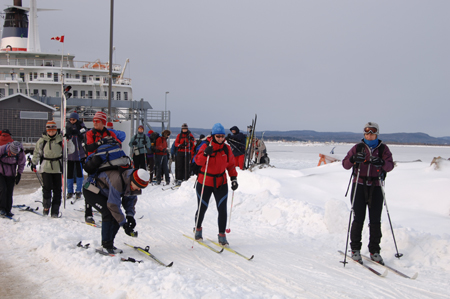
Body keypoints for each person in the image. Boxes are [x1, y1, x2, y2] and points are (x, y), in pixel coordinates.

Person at [342, 122, 394, 265]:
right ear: (364, 134)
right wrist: (353, 159)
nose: (369, 136)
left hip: (376, 186)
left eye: (372, 133)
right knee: (358, 218)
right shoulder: (358, 148)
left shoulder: (383, 149)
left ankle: (374, 251)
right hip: (359, 185)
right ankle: (355, 249)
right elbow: (345, 164)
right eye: (367, 133)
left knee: (375, 219)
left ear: (377, 134)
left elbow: (390, 166)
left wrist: (381, 162)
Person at [83, 168, 150, 254]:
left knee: (116, 215)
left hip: (104, 192)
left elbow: (130, 200)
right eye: (138, 187)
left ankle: (110, 244)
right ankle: (106, 246)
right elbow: (113, 205)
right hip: (91, 189)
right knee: (109, 213)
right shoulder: (118, 181)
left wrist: (130, 216)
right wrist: (124, 224)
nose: (138, 189)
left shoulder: (131, 183)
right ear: (132, 181)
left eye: (141, 188)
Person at [193, 123, 238, 246]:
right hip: (205, 182)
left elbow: (231, 164)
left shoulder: (226, 148)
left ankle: (222, 235)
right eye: (218, 136)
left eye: (222, 136)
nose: (220, 138)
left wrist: (233, 178)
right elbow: (198, 161)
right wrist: (205, 153)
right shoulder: (205, 146)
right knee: (202, 208)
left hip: (221, 182)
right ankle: (198, 229)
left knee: (222, 209)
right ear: (213, 136)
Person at [84, 111, 122, 223]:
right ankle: (88, 213)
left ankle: (105, 211)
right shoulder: (90, 133)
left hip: (107, 164)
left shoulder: (110, 133)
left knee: (106, 188)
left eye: (97, 121)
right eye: (94, 121)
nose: (95, 123)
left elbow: (118, 145)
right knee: (89, 187)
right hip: (94, 163)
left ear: (103, 122)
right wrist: (101, 143)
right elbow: (89, 148)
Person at [31, 121, 74, 217]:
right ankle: (46, 207)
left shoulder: (61, 139)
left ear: (55, 130)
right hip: (46, 167)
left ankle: (55, 210)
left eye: (53, 131)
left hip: (57, 168)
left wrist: (69, 140)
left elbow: (71, 150)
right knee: (46, 188)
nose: (51, 133)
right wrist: (34, 163)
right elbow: (37, 152)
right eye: (49, 131)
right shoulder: (42, 140)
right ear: (47, 130)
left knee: (57, 189)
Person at [0, 141, 26, 217]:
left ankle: (8, 210)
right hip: (1, 172)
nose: (14, 154)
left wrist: (19, 174)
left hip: (11, 174)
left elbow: (22, 163)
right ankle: (1, 208)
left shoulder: (20, 153)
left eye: (15, 153)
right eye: (13, 152)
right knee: (3, 189)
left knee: (9, 191)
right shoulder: (2, 149)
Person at [66, 112, 86, 200]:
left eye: (73, 120)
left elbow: (85, 133)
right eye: (70, 120)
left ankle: (78, 190)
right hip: (70, 153)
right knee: (69, 172)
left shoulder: (81, 125)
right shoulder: (67, 126)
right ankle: (70, 191)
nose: (72, 121)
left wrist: (79, 134)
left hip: (79, 153)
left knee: (79, 171)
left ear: (77, 119)